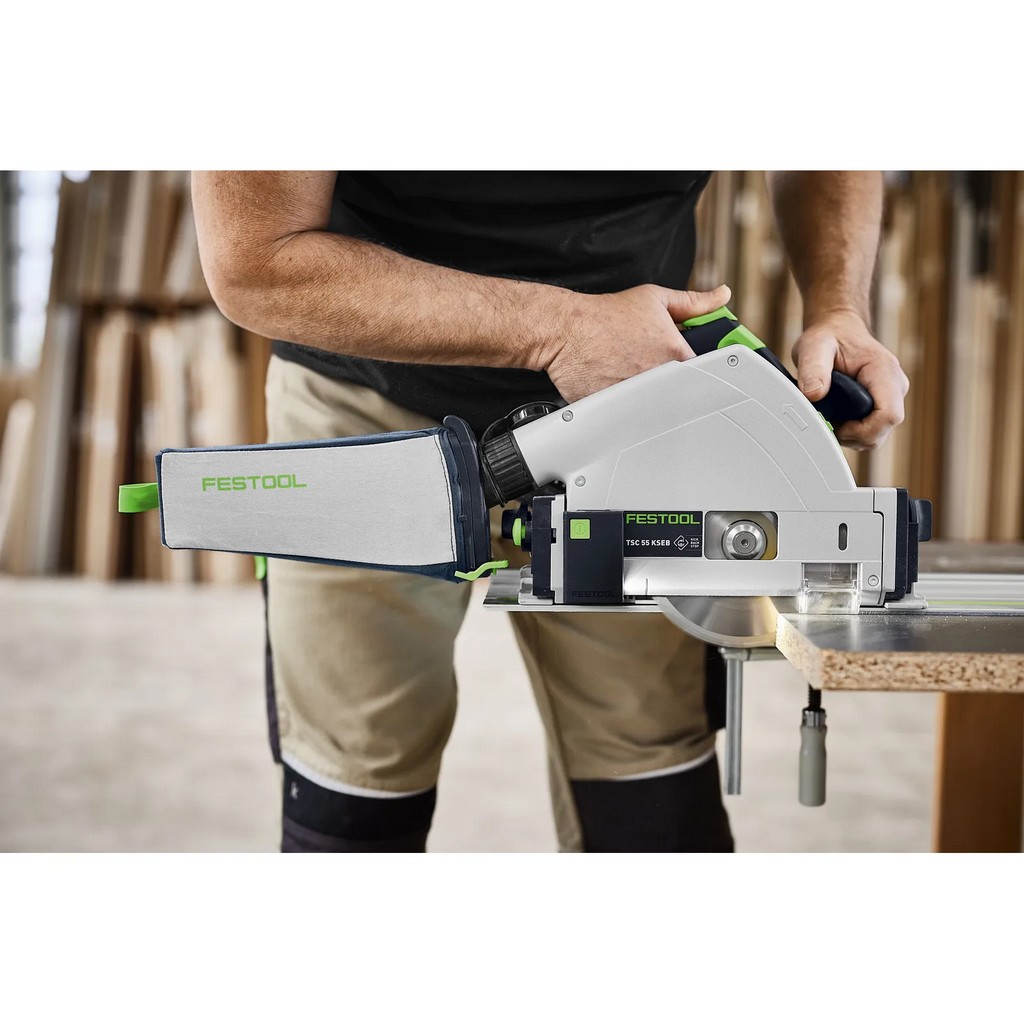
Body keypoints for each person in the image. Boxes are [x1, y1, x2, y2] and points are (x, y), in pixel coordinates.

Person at [192, 171, 909, 853]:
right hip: (369, 396)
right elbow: (255, 263)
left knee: (654, 800)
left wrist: (838, 306)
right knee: (352, 795)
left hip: (635, 400)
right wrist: (560, 329)